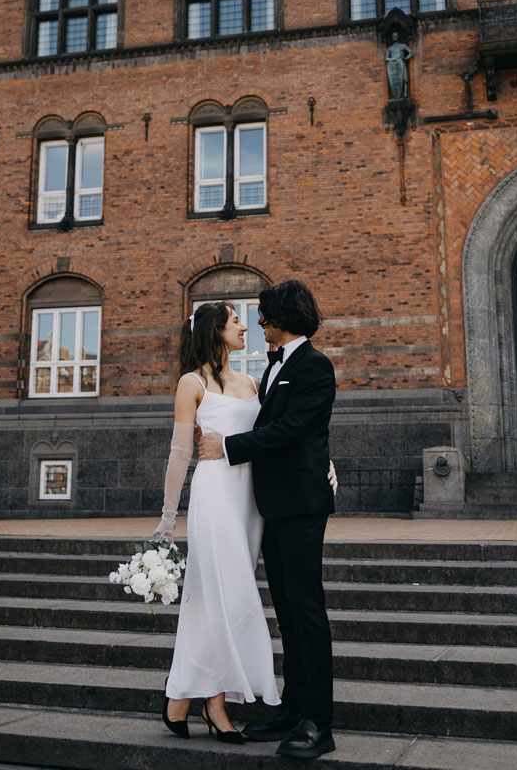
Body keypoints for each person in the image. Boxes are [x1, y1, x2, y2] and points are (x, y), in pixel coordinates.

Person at [156, 298, 338, 751]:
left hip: (254, 505)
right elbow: (181, 453)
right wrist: (167, 518)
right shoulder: (190, 382)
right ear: (215, 330)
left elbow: (290, 428)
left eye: (256, 317)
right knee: (217, 596)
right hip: (216, 498)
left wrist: (325, 461)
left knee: (230, 600)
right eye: (237, 320)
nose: (250, 325)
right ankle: (212, 703)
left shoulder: (255, 380)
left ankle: (181, 697)